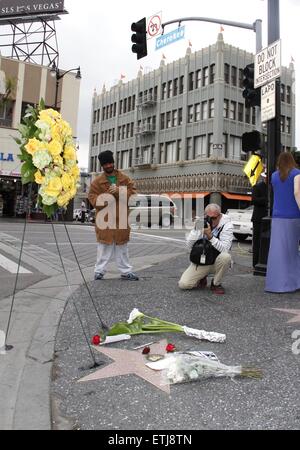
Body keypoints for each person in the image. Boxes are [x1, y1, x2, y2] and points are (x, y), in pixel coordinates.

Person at [88, 150, 139, 281]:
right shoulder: (96, 182)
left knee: (122, 247)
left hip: (121, 220)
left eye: (110, 163)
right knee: (103, 247)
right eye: (106, 164)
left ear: (114, 162)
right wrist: (108, 197)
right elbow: (93, 200)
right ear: (102, 166)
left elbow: (133, 197)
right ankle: (99, 271)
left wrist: (119, 191)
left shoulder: (125, 179)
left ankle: (126, 272)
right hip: (104, 220)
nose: (109, 166)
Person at [178, 204, 233, 295]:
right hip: (202, 261)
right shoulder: (202, 222)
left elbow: (225, 249)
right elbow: (188, 245)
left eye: (214, 218)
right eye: (208, 217)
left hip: (216, 262)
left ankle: (216, 284)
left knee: (226, 257)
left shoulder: (227, 225)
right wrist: (196, 230)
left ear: (219, 215)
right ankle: (202, 277)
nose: (211, 220)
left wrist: (210, 236)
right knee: (184, 284)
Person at [265, 152, 300, 293]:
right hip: (293, 216)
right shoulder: (297, 173)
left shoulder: (274, 176)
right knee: (292, 251)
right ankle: (293, 283)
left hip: (277, 217)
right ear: (292, 161)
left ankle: (275, 284)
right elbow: (297, 193)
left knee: (277, 251)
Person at [251, 171, 268, 268]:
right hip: (258, 219)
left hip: (269, 218)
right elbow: (253, 200)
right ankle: (256, 263)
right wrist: (266, 199)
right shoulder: (257, 186)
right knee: (257, 242)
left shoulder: (273, 187)